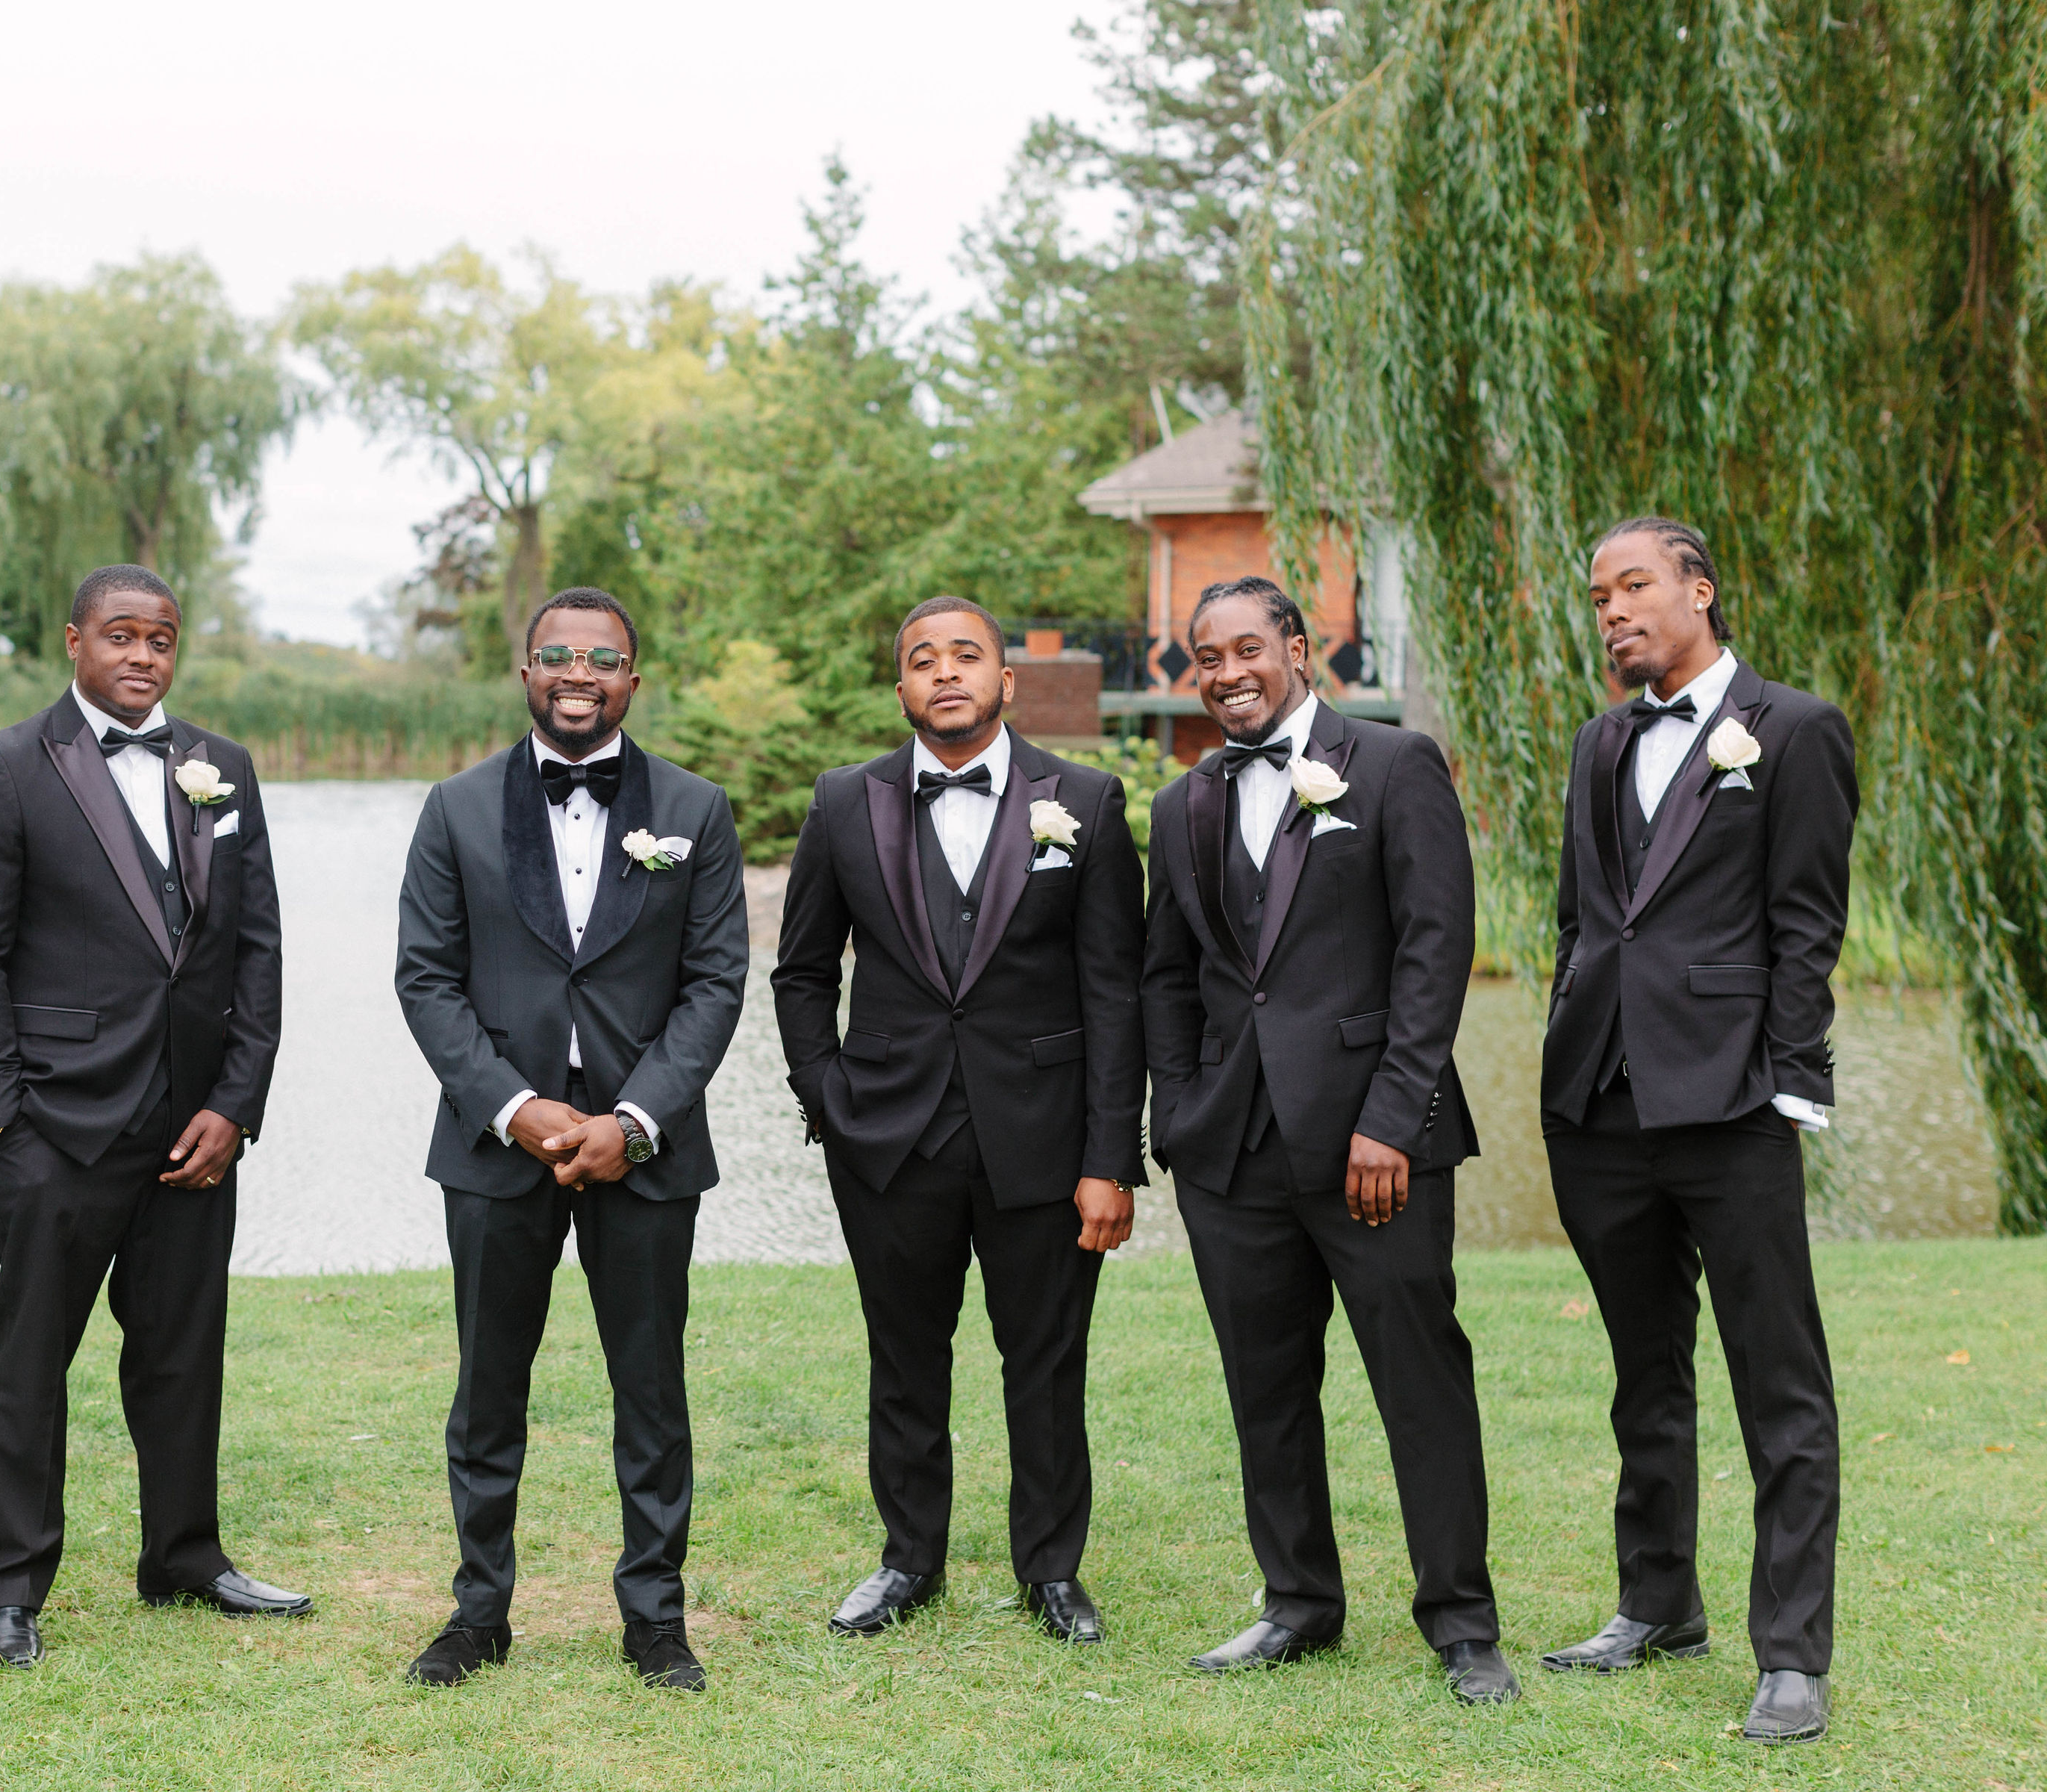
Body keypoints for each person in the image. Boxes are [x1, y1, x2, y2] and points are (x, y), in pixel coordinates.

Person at [1138, 576, 1512, 1703]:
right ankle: (1297, 1603)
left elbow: (1434, 954)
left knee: (1420, 1380)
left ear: (1300, 652)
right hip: (1230, 1151)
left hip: (1372, 1147)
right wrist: (1179, 1110)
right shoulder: (1181, 803)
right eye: (1207, 656)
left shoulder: (1397, 767)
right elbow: (1169, 977)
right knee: (1265, 1387)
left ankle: (1461, 1622)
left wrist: (1393, 1121)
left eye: (1248, 648)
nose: (1227, 672)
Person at [0, 564, 305, 1667]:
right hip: (58, 1121)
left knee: (184, 1353)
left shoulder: (220, 768)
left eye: (163, 639)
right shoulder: (5, 767)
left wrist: (236, 1104)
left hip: (194, 1125)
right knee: (29, 1360)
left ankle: (185, 1554)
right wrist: (8, 1115)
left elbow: (258, 950)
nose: (144, 656)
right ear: (74, 640)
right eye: (122, 636)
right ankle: (7, 1588)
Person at [770, 596, 1144, 1647]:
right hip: (887, 1138)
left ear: (1005, 680)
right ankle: (907, 1561)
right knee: (904, 1358)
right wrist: (828, 1101)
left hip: (1046, 1141)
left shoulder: (1087, 799)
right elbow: (801, 973)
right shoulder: (846, 801)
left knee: (1046, 1360)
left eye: (965, 656)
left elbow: (1116, 995)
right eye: (922, 660)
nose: (945, 673)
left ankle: (1053, 1573)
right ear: (901, 688)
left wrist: (1111, 1155)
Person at [391, 588, 747, 1691]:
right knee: (488, 1388)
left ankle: (655, 1620)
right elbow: (428, 980)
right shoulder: (454, 810)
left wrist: (634, 1121)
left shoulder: (695, 809)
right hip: (498, 1152)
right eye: (557, 654)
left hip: (645, 1154)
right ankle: (477, 1613)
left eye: (603, 657)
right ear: (527, 672)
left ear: (634, 677)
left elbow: (714, 982)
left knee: (651, 1392)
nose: (579, 672)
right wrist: (516, 1107)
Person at [1538, 519, 1854, 1745]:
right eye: (1601, 592)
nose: (1613, 610)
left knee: (1781, 1386)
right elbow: (1582, 920)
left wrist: (1790, 1085)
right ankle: (1657, 1603)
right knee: (1644, 1372)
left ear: (1700, 591)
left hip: (1732, 1105)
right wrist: (1568, 1049)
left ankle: (1793, 1657)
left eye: (1635, 586)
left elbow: (1805, 925)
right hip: (1601, 1108)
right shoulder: (1597, 741)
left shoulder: (1794, 732)